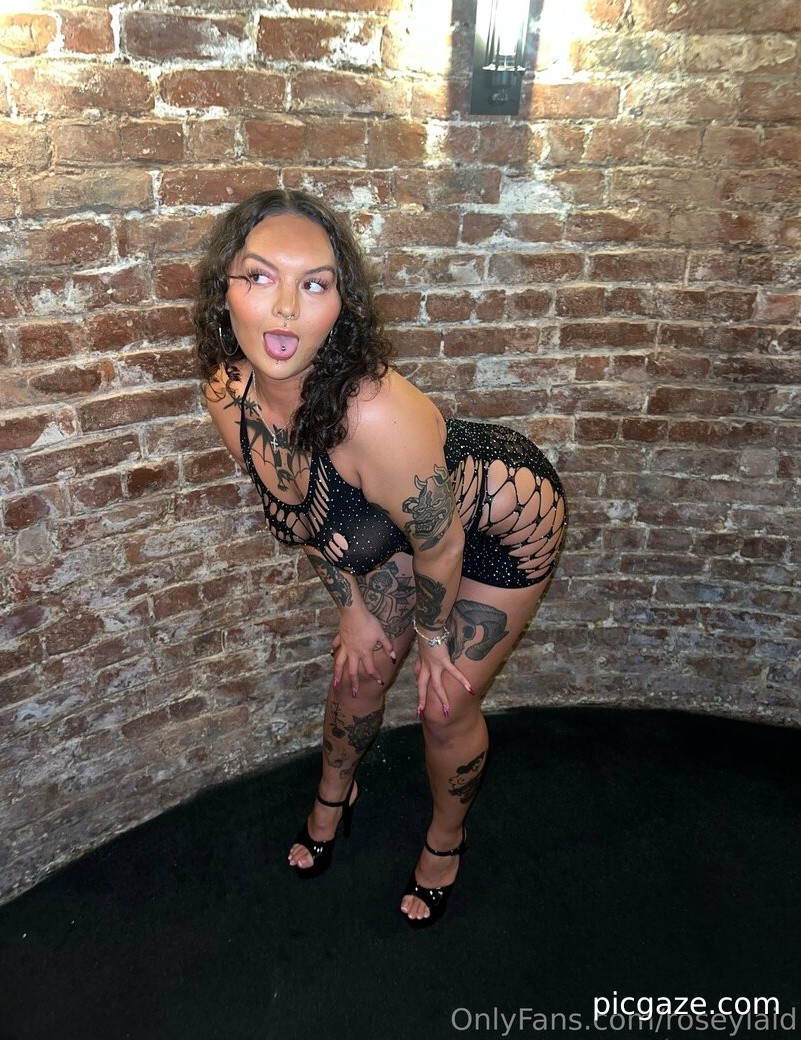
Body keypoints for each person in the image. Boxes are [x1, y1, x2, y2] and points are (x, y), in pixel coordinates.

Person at [194, 188, 568, 927]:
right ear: (224, 290)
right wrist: (353, 607)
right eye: (260, 276)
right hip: (397, 524)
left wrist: (431, 639)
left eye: (315, 285)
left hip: (500, 523)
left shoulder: (375, 414)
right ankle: (335, 795)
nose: (285, 309)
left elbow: (443, 543)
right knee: (358, 670)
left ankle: (445, 840)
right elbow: (302, 511)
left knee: (444, 703)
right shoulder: (228, 395)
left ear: (341, 306)